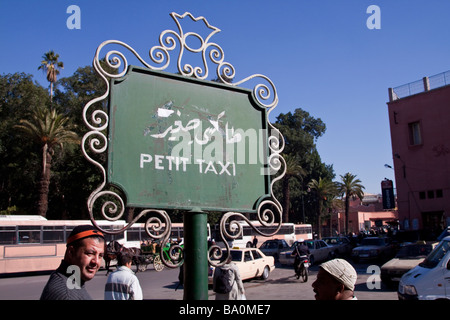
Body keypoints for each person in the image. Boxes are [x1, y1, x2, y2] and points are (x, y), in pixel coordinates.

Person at [40, 225, 105, 300]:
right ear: (71, 252)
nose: (96, 261)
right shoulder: (67, 295)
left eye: (100, 255)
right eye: (90, 253)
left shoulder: (72, 282)